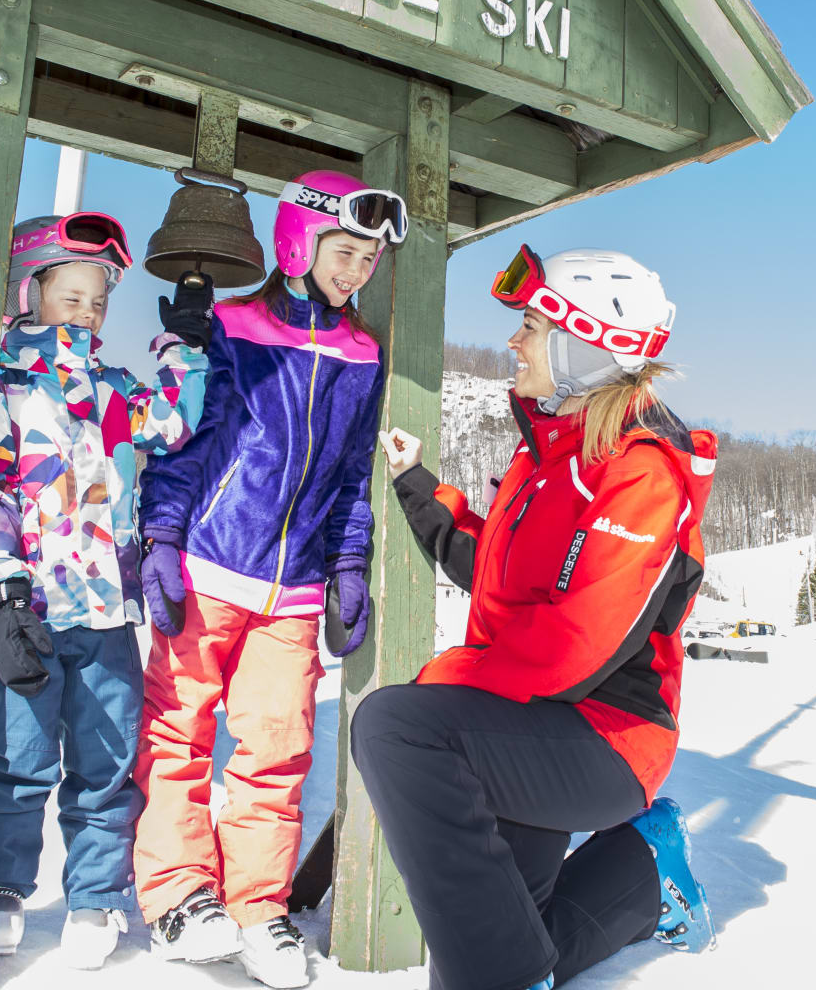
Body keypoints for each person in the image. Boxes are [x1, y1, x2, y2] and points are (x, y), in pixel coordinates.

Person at [354, 247, 719, 990]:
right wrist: (420, 488)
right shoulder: (550, 459)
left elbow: (574, 645)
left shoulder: (642, 474)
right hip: (528, 721)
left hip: (604, 736)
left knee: (394, 726)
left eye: (531, 326)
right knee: (505, 936)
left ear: (585, 346)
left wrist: (453, 676)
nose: (514, 341)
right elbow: (497, 571)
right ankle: (644, 870)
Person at [132, 171, 408, 988]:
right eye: (344, 251)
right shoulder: (234, 329)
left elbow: (353, 475)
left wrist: (347, 563)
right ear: (297, 241)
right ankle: (179, 894)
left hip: (292, 589)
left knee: (280, 747)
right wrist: (161, 535)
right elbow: (185, 444)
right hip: (210, 567)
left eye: (369, 259)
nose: (357, 271)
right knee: (178, 731)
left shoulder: (363, 354)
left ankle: (256, 906)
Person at [0, 212, 213, 969]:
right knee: (16, 759)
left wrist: (185, 344)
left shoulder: (112, 389)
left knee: (105, 765)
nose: (89, 313)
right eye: (72, 297)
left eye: (98, 301)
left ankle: (96, 895)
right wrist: (1, 588)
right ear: (27, 292)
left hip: (104, 616)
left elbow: (174, 422)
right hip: (24, 615)